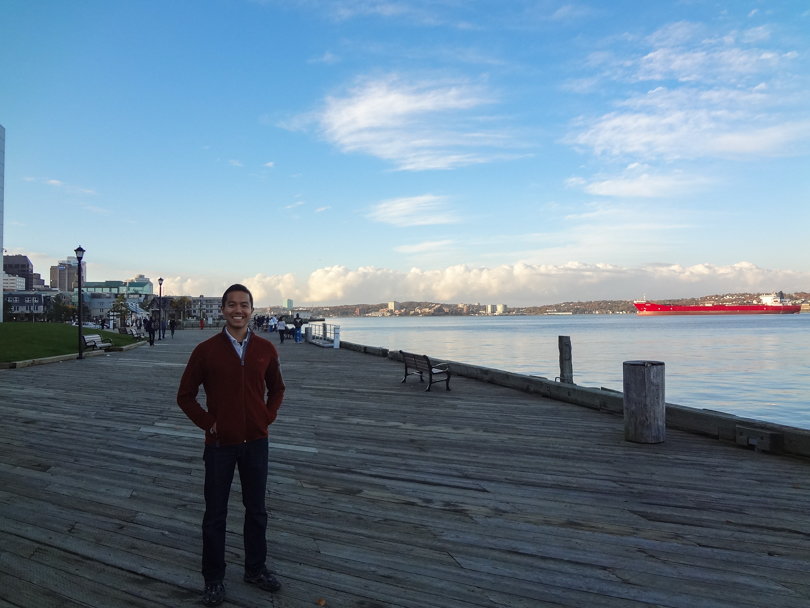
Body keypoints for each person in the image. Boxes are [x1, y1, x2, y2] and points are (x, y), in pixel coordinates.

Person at [177, 284, 285, 606]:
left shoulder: (266, 348)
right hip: (220, 445)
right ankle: (213, 579)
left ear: (252, 309)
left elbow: (277, 388)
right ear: (222, 310)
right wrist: (209, 422)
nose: (238, 310)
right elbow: (185, 396)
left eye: (244, 305)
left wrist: (267, 417)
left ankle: (255, 568)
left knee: (257, 511)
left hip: (256, 443)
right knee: (215, 515)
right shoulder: (206, 350)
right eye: (232, 305)